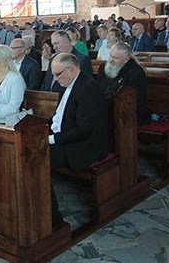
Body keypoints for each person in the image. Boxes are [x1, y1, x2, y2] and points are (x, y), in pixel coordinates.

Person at [48, 53, 108, 220]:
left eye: (57, 74)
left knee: (36, 158)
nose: (54, 79)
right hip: (66, 139)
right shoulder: (68, 84)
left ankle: (52, 217)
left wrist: (51, 139)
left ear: (71, 70)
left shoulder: (88, 89)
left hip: (84, 146)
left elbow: (84, 131)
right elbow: (60, 118)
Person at [97, 43, 150, 125]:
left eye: (115, 58)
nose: (110, 60)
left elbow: (131, 102)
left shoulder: (135, 73)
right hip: (105, 109)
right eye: (110, 56)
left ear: (126, 59)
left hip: (128, 115)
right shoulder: (103, 68)